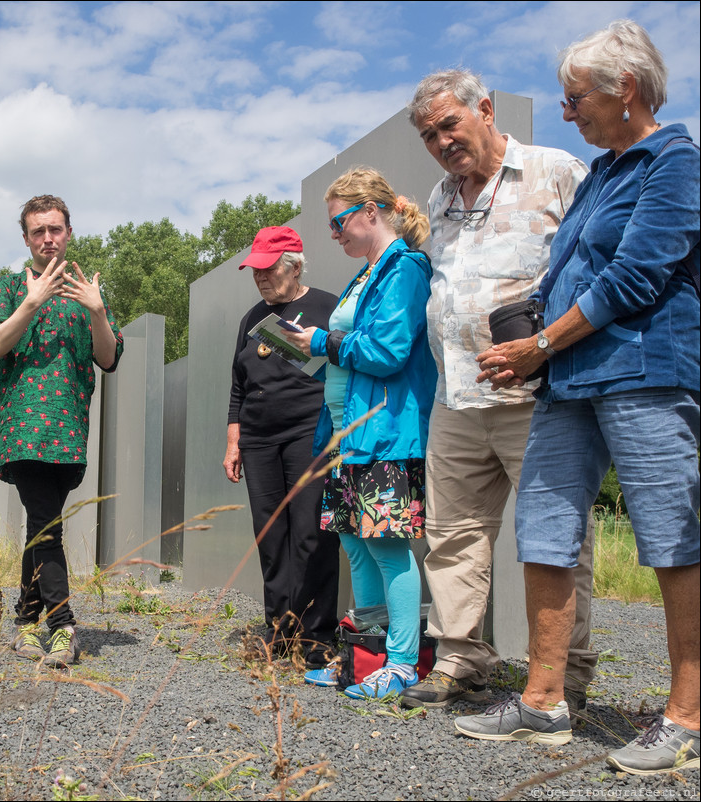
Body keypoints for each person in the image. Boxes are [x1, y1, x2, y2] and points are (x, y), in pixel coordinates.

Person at [458, 21, 700, 775]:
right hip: (569, 380)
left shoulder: (675, 162)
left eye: (575, 99)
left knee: (671, 537)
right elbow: (570, 271)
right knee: (545, 530)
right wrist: (525, 344)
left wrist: (540, 342)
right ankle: (544, 700)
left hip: (644, 370)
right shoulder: (602, 172)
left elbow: (634, 280)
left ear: (624, 90)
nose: (568, 114)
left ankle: (687, 716)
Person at [399, 70, 597, 714]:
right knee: (453, 533)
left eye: (449, 125)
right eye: (429, 135)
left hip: (537, 394)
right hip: (457, 397)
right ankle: (461, 659)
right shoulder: (439, 197)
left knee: (557, 536)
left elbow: (599, 265)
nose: (442, 142)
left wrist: (550, 348)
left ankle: (566, 673)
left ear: (485, 109)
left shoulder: (556, 170)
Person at [289, 167, 437, 699]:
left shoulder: (405, 270)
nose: (335, 235)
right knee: (355, 546)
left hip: (385, 435)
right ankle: (365, 658)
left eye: (338, 223)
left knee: (389, 548)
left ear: (371, 212)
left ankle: (401, 662)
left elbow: (389, 352)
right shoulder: (366, 274)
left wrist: (321, 344)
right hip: (347, 438)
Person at [0, 195, 123, 669]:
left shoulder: (86, 291)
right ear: (26, 238)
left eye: (55, 229)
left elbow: (108, 359)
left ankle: (24, 621)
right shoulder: (7, 285)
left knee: (41, 527)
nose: (47, 239)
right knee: (47, 525)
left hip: (68, 431)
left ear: (68, 233)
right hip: (23, 429)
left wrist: (99, 313)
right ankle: (62, 627)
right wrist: (31, 302)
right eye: (38, 231)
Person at [223, 226, 339, 665]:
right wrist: (234, 439)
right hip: (258, 438)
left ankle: (316, 637)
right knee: (271, 535)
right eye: (255, 270)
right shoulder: (251, 318)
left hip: (309, 432)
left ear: (294, 265)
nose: (260, 277)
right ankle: (281, 630)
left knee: (311, 533)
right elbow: (238, 383)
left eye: (268, 269)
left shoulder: (327, 306)